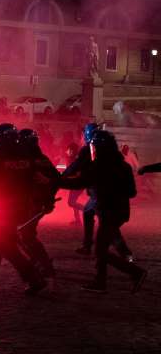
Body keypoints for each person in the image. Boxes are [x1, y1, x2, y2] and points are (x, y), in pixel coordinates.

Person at [59, 131, 147, 293]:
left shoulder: (98, 167)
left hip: (108, 212)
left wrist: (57, 182)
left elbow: (79, 183)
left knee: (100, 249)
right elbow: (132, 192)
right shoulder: (123, 166)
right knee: (102, 246)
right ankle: (100, 282)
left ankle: (135, 272)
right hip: (119, 212)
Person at [0, 126, 47, 295]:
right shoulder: (25, 158)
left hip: (4, 209)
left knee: (6, 246)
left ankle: (33, 277)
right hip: (21, 207)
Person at [62, 123, 133, 260]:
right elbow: (131, 190)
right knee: (90, 214)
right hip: (102, 194)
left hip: (101, 194)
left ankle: (125, 257)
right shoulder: (117, 160)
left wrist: (59, 180)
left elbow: (76, 171)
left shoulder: (90, 154)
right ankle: (90, 246)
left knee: (108, 229)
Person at [16, 128, 59, 280]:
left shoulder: (27, 160)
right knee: (24, 234)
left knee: (25, 235)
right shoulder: (43, 158)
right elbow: (56, 180)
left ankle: (44, 265)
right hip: (37, 203)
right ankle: (38, 261)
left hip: (32, 203)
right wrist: (50, 199)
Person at [64, 142, 85, 226]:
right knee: (73, 202)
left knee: (71, 202)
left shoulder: (76, 160)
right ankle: (78, 220)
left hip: (78, 184)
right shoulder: (73, 159)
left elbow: (78, 174)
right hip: (75, 183)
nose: (66, 151)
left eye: (68, 150)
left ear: (72, 150)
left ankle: (89, 212)